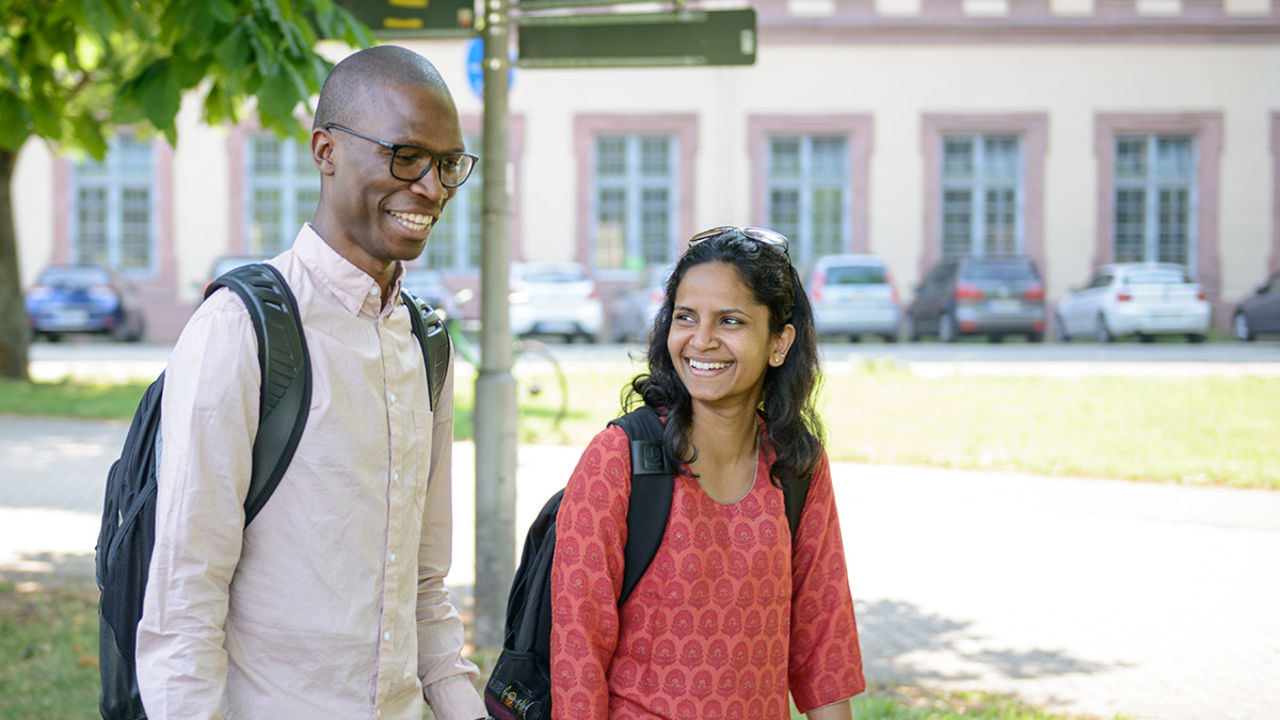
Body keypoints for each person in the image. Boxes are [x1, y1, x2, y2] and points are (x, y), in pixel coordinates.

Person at [136, 45, 487, 720]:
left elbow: (423, 588)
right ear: (325, 150)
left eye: (448, 165)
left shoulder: (426, 343)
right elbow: (183, 607)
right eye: (405, 155)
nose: (432, 188)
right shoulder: (239, 329)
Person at [549, 227, 866, 720]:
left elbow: (823, 647)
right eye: (685, 317)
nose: (702, 340)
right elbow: (576, 655)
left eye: (731, 321)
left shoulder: (796, 464)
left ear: (779, 343)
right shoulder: (617, 458)